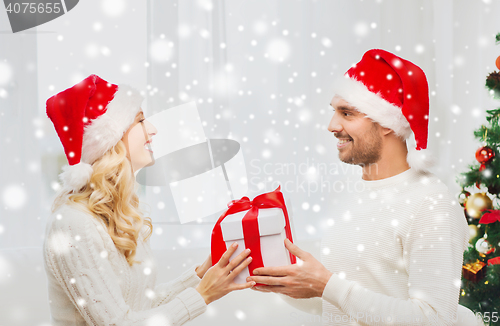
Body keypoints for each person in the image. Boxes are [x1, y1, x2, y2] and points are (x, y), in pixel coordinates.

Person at [246, 49, 472, 325]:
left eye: (347, 113)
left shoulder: (431, 203)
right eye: (334, 112)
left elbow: (434, 319)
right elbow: (346, 302)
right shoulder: (348, 192)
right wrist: (287, 284)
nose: (332, 125)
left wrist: (327, 285)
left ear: (388, 123)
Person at [43, 74, 255, 325]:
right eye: (141, 120)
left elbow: (141, 308)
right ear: (110, 139)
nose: (152, 129)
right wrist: (203, 295)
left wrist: (200, 276)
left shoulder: (113, 214)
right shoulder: (73, 225)